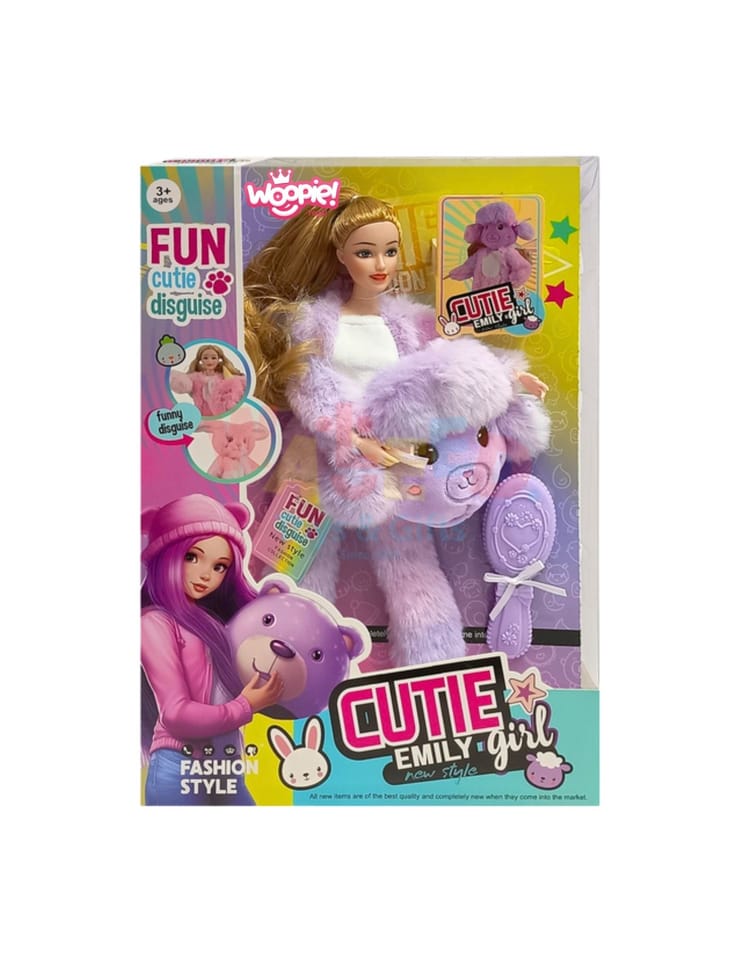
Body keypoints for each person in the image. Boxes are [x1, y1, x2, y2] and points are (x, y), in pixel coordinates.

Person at [141, 494, 283, 805]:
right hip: (181, 765)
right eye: (192, 557)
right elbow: (176, 713)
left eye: (220, 566)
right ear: (165, 555)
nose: (206, 574)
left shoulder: (212, 621)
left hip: (226, 762)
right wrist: (245, 706)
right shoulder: (155, 623)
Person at [170, 344, 247, 417]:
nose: (209, 361)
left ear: (219, 359)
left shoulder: (224, 376)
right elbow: (183, 384)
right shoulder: (195, 378)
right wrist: (177, 380)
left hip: (222, 415)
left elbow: (239, 384)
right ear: (200, 360)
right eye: (205, 358)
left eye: (213, 358)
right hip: (202, 415)